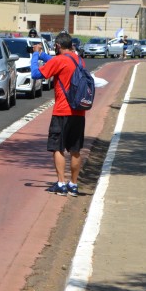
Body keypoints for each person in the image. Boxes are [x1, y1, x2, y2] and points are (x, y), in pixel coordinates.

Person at [30, 32, 86, 196]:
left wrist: (35, 55)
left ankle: (61, 183)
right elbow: (57, 62)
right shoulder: (79, 60)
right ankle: (73, 185)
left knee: (58, 148)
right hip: (79, 112)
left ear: (58, 46)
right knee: (75, 150)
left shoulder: (59, 60)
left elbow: (36, 73)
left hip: (62, 111)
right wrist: (43, 55)